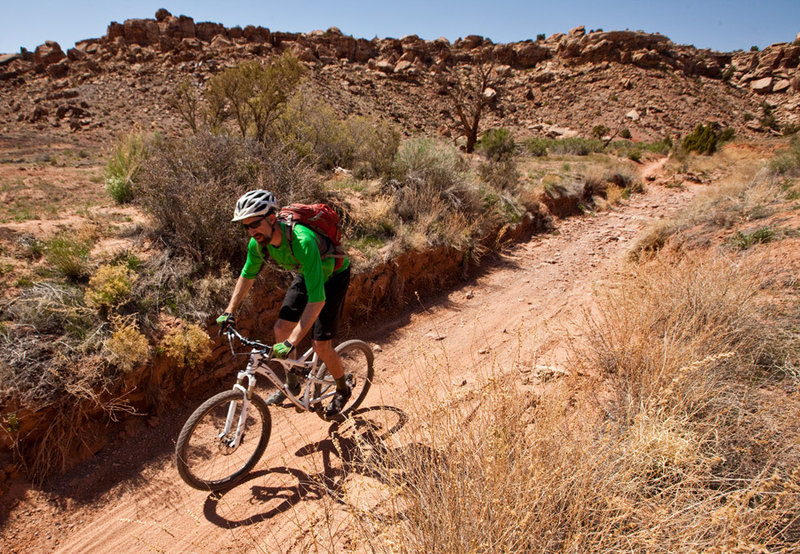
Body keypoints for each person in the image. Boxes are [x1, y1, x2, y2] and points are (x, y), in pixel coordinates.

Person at [216, 189, 352, 418]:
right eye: (246, 227)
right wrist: (230, 311)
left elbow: (317, 299)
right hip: (307, 271)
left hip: (333, 276)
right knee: (280, 329)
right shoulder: (258, 243)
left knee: (321, 345)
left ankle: (342, 388)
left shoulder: (302, 241)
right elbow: (247, 275)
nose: (251, 231)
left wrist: (292, 342)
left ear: (271, 218)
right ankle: (292, 383)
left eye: (255, 224)